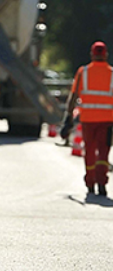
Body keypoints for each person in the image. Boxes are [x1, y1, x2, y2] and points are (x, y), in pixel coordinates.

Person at [61, 41, 113, 196]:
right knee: (103, 152)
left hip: (88, 119)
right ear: (106, 55)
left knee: (89, 150)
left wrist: (68, 118)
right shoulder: (112, 73)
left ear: (91, 54)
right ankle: (101, 183)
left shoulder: (82, 72)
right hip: (107, 120)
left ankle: (90, 183)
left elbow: (74, 96)